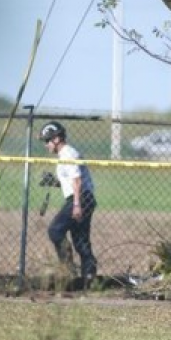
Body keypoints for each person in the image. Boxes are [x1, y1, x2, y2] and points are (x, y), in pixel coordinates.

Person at [39, 121, 98, 286]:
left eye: (47, 140)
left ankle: (68, 269)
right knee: (81, 240)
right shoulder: (64, 154)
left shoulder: (68, 154)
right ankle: (89, 279)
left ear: (57, 139)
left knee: (55, 230)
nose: (46, 145)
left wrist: (77, 205)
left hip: (81, 199)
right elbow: (70, 181)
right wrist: (55, 182)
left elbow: (77, 181)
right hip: (81, 198)